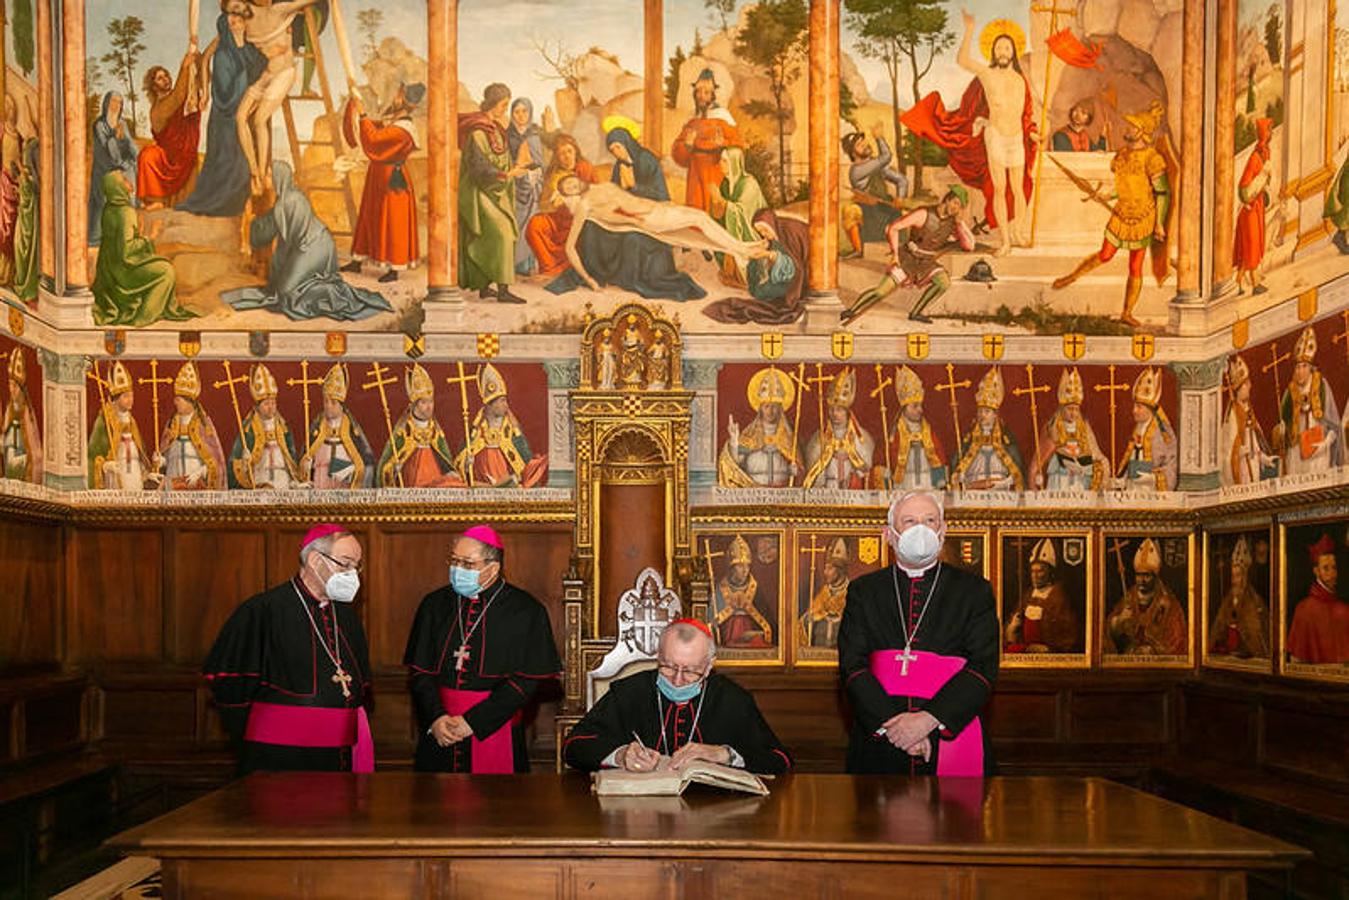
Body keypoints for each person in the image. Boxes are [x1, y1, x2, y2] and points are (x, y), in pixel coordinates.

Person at [838, 491, 998, 775]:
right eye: (909, 521)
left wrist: (927, 721)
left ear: (943, 531)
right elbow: (852, 666)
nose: (921, 529)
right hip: (882, 733)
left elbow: (983, 667)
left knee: (953, 819)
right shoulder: (865, 591)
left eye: (930, 520)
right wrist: (895, 727)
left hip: (949, 728)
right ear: (889, 534)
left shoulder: (973, 591)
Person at [204, 524, 373, 773]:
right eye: (345, 564)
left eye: (356, 566)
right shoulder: (262, 611)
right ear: (316, 560)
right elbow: (231, 691)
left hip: (338, 759)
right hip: (277, 758)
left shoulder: (347, 619)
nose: (353, 575)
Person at [403, 525, 561, 772]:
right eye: (454, 561)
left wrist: (473, 722)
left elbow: (527, 680)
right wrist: (436, 718)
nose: (457, 570)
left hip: (495, 729)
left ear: (493, 567)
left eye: (467, 563)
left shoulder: (526, 610)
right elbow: (420, 672)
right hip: (440, 731)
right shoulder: (434, 605)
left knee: (497, 807)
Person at [563, 618, 791, 774]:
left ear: (709, 666)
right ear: (657, 655)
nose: (678, 679)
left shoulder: (732, 699)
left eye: (691, 671)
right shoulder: (629, 692)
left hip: (714, 816)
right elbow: (573, 747)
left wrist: (723, 754)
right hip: (638, 817)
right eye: (668, 666)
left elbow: (780, 759)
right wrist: (621, 755)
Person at [902, 14, 1036, 256]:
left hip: (1016, 140)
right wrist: (970, 28)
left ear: (1013, 51)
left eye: (1007, 47)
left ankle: (1019, 232)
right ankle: (1005, 240)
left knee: (1017, 188)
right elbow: (962, 59)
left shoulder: (1020, 79)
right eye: (999, 47)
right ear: (994, 52)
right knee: (999, 188)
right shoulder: (987, 74)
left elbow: (1025, 114)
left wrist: (1034, 135)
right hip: (995, 136)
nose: (1003, 51)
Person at [546, 124, 707, 301]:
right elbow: (615, 194)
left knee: (632, 238)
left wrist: (634, 187)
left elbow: (661, 195)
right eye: (612, 149)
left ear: (627, 143)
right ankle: (599, 272)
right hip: (625, 214)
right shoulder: (618, 166)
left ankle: (632, 279)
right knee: (592, 228)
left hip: (650, 215)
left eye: (617, 147)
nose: (616, 152)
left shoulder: (647, 160)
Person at [1052, 101, 1174, 327]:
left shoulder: (1152, 158)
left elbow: (1162, 193)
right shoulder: (1122, 155)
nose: (1126, 130)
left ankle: (1127, 312)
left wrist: (1159, 224)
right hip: (1120, 215)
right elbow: (1124, 186)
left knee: (1135, 266)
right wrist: (1108, 196)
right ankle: (1071, 277)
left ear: (1142, 132)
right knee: (1105, 254)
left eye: (1131, 127)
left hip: (1142, 217)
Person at [223, 161, 393, 321]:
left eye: (269, 175)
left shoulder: (290, 200)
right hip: (312, 246)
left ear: (279, 177)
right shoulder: (287, 199)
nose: (267, 178)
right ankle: (317, 286)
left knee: (287, 295)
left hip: (314, 248)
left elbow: (269, 230)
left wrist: (248, 221)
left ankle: (330, 292)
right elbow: (272, 228)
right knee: (285, 290)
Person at [552, 177, 768, 295]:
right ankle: (744, 247)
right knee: (700, 218)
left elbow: (626, 198)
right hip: (650, 218)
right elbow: (572, 246)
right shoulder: (584, 204)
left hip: (655, 211)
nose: (573, 185)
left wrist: (658, 205)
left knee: (692, 238)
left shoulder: (600, 187)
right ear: (569, 195)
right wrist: (589, 280)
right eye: (568, 188)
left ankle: (744, 252)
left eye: (571, 181)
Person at [179, 4, 267, 218]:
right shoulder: (223, 55)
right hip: (225, 118)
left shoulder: (251, 48)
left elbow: (263, 69)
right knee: (226, 160)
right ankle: (220, 203)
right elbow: (225, 93)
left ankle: (239, 202)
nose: (235, 24)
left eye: (237, 20)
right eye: (231, 22)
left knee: (243, 162)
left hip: (246, 113)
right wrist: (206, 91)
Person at [840, 187, 974, 326]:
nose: (955, 208)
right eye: (955, 203)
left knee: (943, 282)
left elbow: (969, 246)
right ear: (947, 199)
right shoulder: (923, 214)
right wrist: (895, 256)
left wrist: (960, 224)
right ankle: (852, 310)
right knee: (881, 291)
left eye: (959, 206)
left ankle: (916, 312)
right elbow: (893, 228)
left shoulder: (953, 223)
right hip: (907, 259)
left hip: (926, 263)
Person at [235, 0, 329, 196]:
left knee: (259, 120)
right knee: (240, 117)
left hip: (284, 71)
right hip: (268, 74)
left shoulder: (278, 10)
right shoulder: (250, 22)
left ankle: (262, 172)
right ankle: (255, 172)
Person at [91, 172, 197, 328]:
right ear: (118, 187)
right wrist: (151, 237)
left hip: (111, 271)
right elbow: (127, 249)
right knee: (166, 271)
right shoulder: (125, 212)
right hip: (124, 271)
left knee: (161, 265)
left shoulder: (110, 209)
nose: (129, 182)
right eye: (124, 180)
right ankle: (144, 317)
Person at [341, 83, 423, 283]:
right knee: (370, 216)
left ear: (403, 101)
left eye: (397, 95)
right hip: (378, 175)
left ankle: (394, 268)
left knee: (393, 221)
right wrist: (359, 108)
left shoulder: (404, 130)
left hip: (392, 179)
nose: (393, 98)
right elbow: (379, 129)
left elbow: (376, 140)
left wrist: (362, 116)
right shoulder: (396, 123)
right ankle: (358, 260)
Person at [459, 83, 527, 304]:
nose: (505, 110)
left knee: (500, 233)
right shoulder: (478, 131)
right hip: (478, 194)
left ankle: (486, 287)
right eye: (504, 105)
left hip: (496, 193)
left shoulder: (496, 129)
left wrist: (515, 169)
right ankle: (502, 291)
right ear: (493, 103)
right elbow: (479, 168)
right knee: (502, 233)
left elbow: (501, 157)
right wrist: (507, 176)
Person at [702, 208, 811, 325]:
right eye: (760, 231)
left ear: (771, 223)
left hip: (806, 274)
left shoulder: (790, 231)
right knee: (760, 291)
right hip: (789, 276)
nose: (763, 234)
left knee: (770, 296)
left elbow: (795, 267)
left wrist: (770, 255)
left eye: (764, 230)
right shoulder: (773, 235)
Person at [454, 363, 548, 488]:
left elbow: (525, 462)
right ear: (490, 405)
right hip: (482, 488)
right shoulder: (475, 431)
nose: (506, 406)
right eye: (502, 401)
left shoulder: (512, 431)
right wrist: (466, 465)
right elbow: (460, 468)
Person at [524, 134, 599, 277]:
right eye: (562, 154)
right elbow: (543, 203)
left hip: (578, 218)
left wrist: (573, 200)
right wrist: (554, 203)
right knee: (535, 225)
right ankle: (549, 268)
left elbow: (597, 196)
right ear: (557, 157)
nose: (567, 157)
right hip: (558, 217)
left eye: (569, 151)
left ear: (576, 151)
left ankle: (567, 269)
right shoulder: (553, 173)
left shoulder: (585, 168)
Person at [136, 52, 203, 209]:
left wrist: (195, 66)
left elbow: (189, 93)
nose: (166, 79)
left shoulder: (176, 100)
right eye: (160, 77)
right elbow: (178, 96)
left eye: (166, 75)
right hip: (168, 156)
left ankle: (170, 203)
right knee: (147, 155)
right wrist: (184, 66)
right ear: (153, 86)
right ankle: (155, 200)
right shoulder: (158, 109)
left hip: (183, 153)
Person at [377, 363, 459, 488]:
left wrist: (451, 472)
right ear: (414, 405)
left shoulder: (436, 432)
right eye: (423, 402)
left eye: (431, 401)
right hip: (413, 486)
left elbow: (446, 462)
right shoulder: (403, 432)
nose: (429, 407)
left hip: (437, 486)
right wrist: (395, 468)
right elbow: (385, 468)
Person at [670, 69, 740, 215]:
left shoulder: (723, 116)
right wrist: (687, 146)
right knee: (695, 218)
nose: (701, 96)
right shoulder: (692, 121)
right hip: (695, 176)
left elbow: (738, 145)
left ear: (713, 95)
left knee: (715, 214)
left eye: (706, 93)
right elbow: (677, 154)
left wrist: (723, 145)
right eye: (698, 92)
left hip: (715, 173)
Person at [718, 366, 801, 487]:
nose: (770, 411)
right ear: (760, 409)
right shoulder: (751, 436)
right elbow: (735, 465)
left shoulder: (789, 438)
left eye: (774, 406)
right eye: (766, 406)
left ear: (780, 410)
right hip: (752, 489)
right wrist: (734, 443)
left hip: (782, 492)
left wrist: (795, 471)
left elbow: (800, 472)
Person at [300, 363, 376, 490]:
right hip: (320, 484)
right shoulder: (317, 428)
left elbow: (367, 464)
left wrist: (345, 470)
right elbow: (304, 462)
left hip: (345, 488)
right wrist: (306, 466)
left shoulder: (352, 430)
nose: (328, 406)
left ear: (341, 405)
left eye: (333, 402)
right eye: (326, 402)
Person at [1105, 538, 1187, 656]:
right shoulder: (1130, 596)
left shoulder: (1168, 602)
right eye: (1138, 575)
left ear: (1155, 577)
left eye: (1146, 575)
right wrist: (1119, 621)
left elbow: (1178, 641)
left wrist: (1153, 650)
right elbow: (1109, 634)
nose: (1141, 580)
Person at [228, 362, 302, 490]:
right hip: (260, 481)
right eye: (266, 404)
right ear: (257, 406)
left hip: (283, 480)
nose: (271, 407)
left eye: (273, 403)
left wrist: (297, 476)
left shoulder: (283, 427)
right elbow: (236, 462)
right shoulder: (248, 428)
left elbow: (291, 457)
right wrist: (245, 463)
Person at [1277, 326, 1340, 475]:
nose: (1300, 371)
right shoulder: (1289, 393)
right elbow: (1283, 430)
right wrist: (1281, 431)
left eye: (1304, 366)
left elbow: (1334, 427)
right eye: (1297, 367)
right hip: (1296, 456)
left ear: (1311, 368)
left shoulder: (1321, 386)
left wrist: (1325, 444)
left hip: (1319, 453)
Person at [155, 361, 227, 491]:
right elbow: (167, 458)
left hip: (195, 484)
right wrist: (161, 461)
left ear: (189, 402)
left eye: (179, 399)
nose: (175, 402)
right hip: (173, 483)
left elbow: (216, 463)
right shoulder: (172, 424)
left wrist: (201, 472)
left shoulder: (204, 424)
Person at [840, 123, 907, 258]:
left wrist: (900, 197)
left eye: (863, 141)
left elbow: (902, 180)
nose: (865, 144)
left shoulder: (877, 167)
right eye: (859, 144)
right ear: (853, 153)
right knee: (851, 211)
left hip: (885, 211)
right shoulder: (857, 171)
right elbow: (886, 156)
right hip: (869, 215)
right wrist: (879, 138)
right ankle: (858, 250)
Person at [1032, 368, 1105, 491]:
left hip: (1080, 479)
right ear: (1062, 409)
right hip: (1060, 477)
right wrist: (1038, 473)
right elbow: (1042, 458)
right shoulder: (1053, 427)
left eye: (1076, 409)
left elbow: (1093, 454)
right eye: (1070, 409)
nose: (1073, 413)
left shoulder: (1084, 428)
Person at [951, 367, 1024, 491]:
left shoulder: (1006, 440)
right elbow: (958, 468)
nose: (982, 415)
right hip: (974, 492)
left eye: (987, 411)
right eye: (980, 411)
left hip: (1000, 492)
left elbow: (1017, 472)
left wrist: (1005, 482)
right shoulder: (969, 440)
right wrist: (960, 476)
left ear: (995, 414)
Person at [803, 367, 875, 490]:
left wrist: (856, 478)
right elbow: (813, 469)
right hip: (827, 491)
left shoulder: (862, 437)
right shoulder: (819, 438)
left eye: (840, 409)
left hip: (853, 490)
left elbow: (867, 470)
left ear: (847, 411)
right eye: (832, 409)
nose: (835, 414)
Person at [88, 362, 156, 491]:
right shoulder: (105, 419)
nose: (130, 400)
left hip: (134, 475)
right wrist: (105, 466)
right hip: (115, 476)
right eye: (126, 396)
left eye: (131, 396)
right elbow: (93, 455)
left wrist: (147, 473)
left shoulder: (132, 422)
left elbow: (139, 454)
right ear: (116, 398)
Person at [1005, 539, 1080, 654]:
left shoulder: (1059, 597)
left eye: (1040, 571)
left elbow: (1069, 637)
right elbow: (1014, 630)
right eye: (1032, 571)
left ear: (1050, 572)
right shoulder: (1028, 595)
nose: (1035, 576)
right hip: (1026, 653)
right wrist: (1012, 629)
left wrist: (1049, 648)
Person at [1287, 535, 1349, 664]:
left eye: (1334, 568)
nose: (1332, 574)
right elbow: (1296, 662)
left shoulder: (1344, 610)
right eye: (1326, 568)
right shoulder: (1303, 609)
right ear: (1316, 571)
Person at [884, 366, 947, 490]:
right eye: (915, 406)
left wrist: (940, 479)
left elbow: (938, 455)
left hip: (927, 483)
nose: (920, 410)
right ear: (904, 408)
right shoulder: (894, 433)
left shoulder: (928, 431)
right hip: (904, 483)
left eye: (920, 406)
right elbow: (887, 459)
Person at [1207, 538, 1269, 660]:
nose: (1234, 580)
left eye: (1238, 575)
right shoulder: (1227, 601)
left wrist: (1239, 629)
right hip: (1228, 657)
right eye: (1232, 576)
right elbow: (1217, 631)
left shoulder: (1255, 602)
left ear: (1245, 577)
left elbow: (1258, 638)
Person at [1220, 354, 1277, 486]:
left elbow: (1255, 445)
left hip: (1253, 464)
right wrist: (1237, 454)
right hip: (1241, 467)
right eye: (1244, 385)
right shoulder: (1233, 414)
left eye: (1248, 384)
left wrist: (1264, 459)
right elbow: (1227, 446)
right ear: (1238, 390)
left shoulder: (1250, 411)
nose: (1248, 387)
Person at [1118, 367, 1177, 491]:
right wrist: (1122, 478)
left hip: (1152, 490)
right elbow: (1130, 459)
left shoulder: (1164, 432)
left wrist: (1153, 479)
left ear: (1149, 409)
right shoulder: (1137, 429)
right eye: (1134, 406)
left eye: (1139, 407)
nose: (1134, 411)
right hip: (1132, 489)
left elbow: (1172, 464)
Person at [1234, 118, 1273, 296]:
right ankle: (1256, 284)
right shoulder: (1255, 157)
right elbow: (1244, 186)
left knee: (1248, 250)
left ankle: (1237, 284)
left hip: (1255, 208)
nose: (1271, 134)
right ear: (1264, 133)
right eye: (1269, 131)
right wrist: (1250, 198)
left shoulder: (1264, 153)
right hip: (1249, 210)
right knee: (1251, 247)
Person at [506, 97, 545, 275]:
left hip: (530, 187)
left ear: (530, 113)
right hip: (512, 186)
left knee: (529, 224)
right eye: (517, 112)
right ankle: (511, 265)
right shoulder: (507, 136)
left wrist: (530, 174)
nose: (521, 116)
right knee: (514, 222)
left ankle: (526, 265)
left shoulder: (535, 136)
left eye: (524, 111)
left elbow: (539, 163)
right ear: (512, 114)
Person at [717, 146, 767, 285]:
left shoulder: (749, 183)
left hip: (752, 230)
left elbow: (743, 211)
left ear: (734, 163)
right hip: (732, 229)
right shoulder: (725, 184)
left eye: (724, 161)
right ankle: (731, 274)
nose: (720, 164)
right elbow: (720, 213)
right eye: (721, 160)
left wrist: (723, 203)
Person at [713, 534, 774, 648]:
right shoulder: (721, 589)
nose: (745, 570)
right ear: (731, 568)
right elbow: (711, 623)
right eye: (740, 566)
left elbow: (767, 625)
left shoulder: (754, 588)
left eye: (747, 566)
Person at [800, 538, 850, 649]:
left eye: (829, 569)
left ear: (840, 571)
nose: (825, 572)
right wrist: (808, 620)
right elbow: (807, 620)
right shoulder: (824, 593)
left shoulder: (852, 593)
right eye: (825, 568)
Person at [1, 347, 42, 483]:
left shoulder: (26, 410)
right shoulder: (9, 408)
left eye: (14, 385)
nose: (11, 389)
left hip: (23, 457)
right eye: (10, 385)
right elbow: (5, 431)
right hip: (10, 454)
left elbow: (31, 440)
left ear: (20, 388)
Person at [11, 138, 38, 304]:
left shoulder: (28, 177)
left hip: (27, 222)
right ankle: (22, 284)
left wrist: (21, 170)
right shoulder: (25, 177)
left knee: (22, 249)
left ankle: (26, 286)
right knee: (20, 249)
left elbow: (27, 191)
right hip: (24, 221)